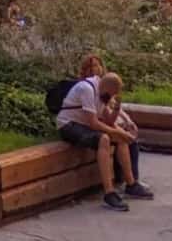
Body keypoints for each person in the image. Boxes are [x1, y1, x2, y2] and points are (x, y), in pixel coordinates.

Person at [55, 54, 150, 211]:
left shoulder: (102, 91)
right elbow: (93, 122)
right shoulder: (87, 88)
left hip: (84, 124)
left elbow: (109, 120)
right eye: (112, 94)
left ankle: (131, 183)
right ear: (106, 89)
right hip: (69, 125)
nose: (111, 97)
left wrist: (118, 111)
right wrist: (116, 132)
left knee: (120, 138)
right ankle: (109, 192)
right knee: (104, 139)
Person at [99, 71, 154, 201]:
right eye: (116, 91)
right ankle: (124, 183)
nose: (117, 94)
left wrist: (127, 121)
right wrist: (120, 131)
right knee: (121, 139)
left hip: (113, 124)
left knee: (129, 142)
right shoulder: (96, 93)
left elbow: (115, 115)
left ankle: (133, 181)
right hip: (100, 126)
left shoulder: (106, 95)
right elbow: (103, 121)